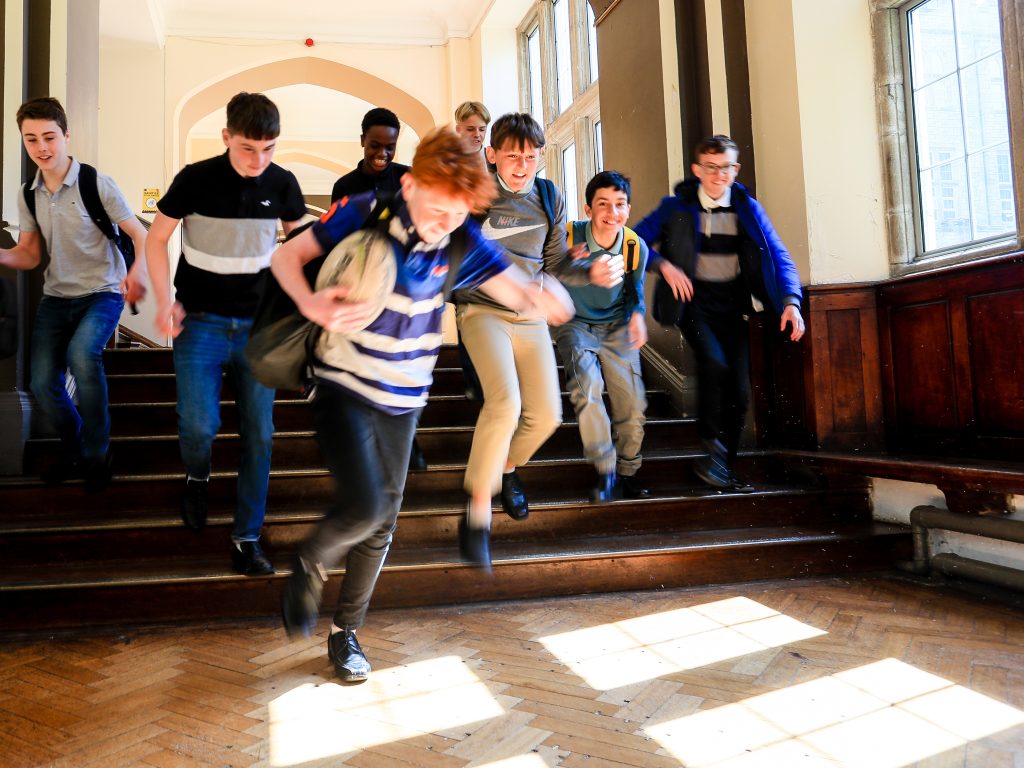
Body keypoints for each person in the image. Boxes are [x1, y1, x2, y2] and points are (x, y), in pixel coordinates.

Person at [273, 126, 572, 682]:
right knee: (362, 508)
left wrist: (554, 299)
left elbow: (521, 293)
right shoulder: (365, 209)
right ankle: (311, 559)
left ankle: (346, 633)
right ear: (410, 184)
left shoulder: (460, 237)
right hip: (344, 382)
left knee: (383, 522)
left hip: (404, 397)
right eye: (438, 210)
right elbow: (286, 259)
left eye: (458, 214)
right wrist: (313, 305)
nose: (444, 225)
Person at [145, 92, 306, 576]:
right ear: (226, 139)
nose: (259, 161)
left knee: (260, 435)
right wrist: (164, 299)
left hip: (260, 328)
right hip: (200, 322)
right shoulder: (194, 180)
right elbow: (156, 239)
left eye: (269, 149)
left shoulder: (283, 184)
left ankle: (247, 536)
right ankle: (197, 475)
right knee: (199, 426)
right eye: (247, 149)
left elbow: (302, 249)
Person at [454, 112, 620, 564]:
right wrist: (518, 286)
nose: (522, 166)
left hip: (529, 314)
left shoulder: (549, 196)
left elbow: (557, 263)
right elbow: (466, 252)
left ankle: (506, 468)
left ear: (540, 157)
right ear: (492, 155)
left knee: (546, 415)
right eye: (512, 156)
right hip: (482, 309)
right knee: (504, 404)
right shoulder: (477, 192)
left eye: (530, 157)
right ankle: (475, 516)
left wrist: (591, 271)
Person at [634, 134, 805, 491]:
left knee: (740, 388)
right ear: (697, 169)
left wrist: (791, 301)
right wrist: (663, 265)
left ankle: (723, 466)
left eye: (725, 168)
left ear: (735, 169)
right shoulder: (675, 207)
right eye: (710, 168)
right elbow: (632, 241)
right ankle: (712, 449)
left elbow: (778, 254)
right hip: (693, 305)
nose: (717, 176)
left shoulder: (747, 207)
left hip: (736, 307)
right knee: (714, 363)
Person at [0, 96, 148, 492]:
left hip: (103, 291)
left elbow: (139, 232)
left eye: (49, 137)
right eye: (31, 140)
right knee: (43, 383)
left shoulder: (95, 183)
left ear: (66, 135)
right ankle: (74, 447)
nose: (42, 148)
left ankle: (98, 455)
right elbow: (30, 256)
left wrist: (136, 273)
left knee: (83, 355)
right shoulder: (28, 193)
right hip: (56, 297)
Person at [554, 171, 651, 503]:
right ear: (588, 208)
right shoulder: (568, 237)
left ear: (628, 207)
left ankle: (627, 470)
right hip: (575, 324)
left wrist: (638, 316)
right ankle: (605, 470)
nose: (613, 213)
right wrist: (574, 266)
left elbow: (635, 291)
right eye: (603, 205)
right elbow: (549, 271)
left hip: (617, 327)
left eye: (620, 205)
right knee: (589, 389)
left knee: (633, 403)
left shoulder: (635, 246)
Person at [452, 100, 492, 400]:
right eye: (470, 129)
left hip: (493, 253)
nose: (477, 134)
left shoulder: (496, 165)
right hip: (461, 254)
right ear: (458, 130)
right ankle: (474, 386)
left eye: (481, 129)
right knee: (466, 319)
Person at [330, 107, 409, 202]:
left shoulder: (408, 177)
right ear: (363, 140)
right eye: (375, 146)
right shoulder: (343, 186)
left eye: (390, 147)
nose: (382, 154)